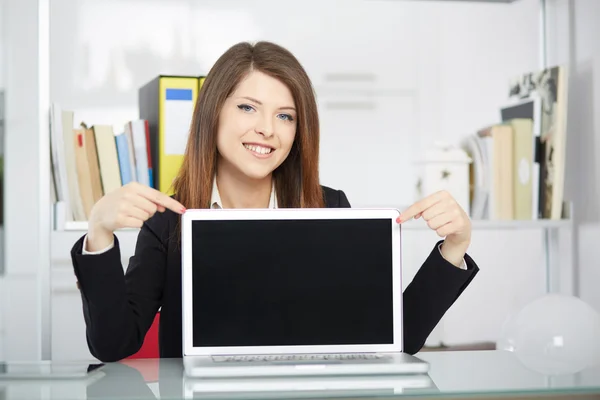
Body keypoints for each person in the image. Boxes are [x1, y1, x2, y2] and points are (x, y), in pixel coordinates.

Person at [71, 41, 479, 362]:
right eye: (248, 107)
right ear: (213, 114)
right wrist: (99, 231)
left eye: (285, 116)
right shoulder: (169, 222)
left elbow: (397, 338)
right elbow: (113, 345)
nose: (267, 129)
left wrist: (454, 248)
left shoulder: (329, 209)